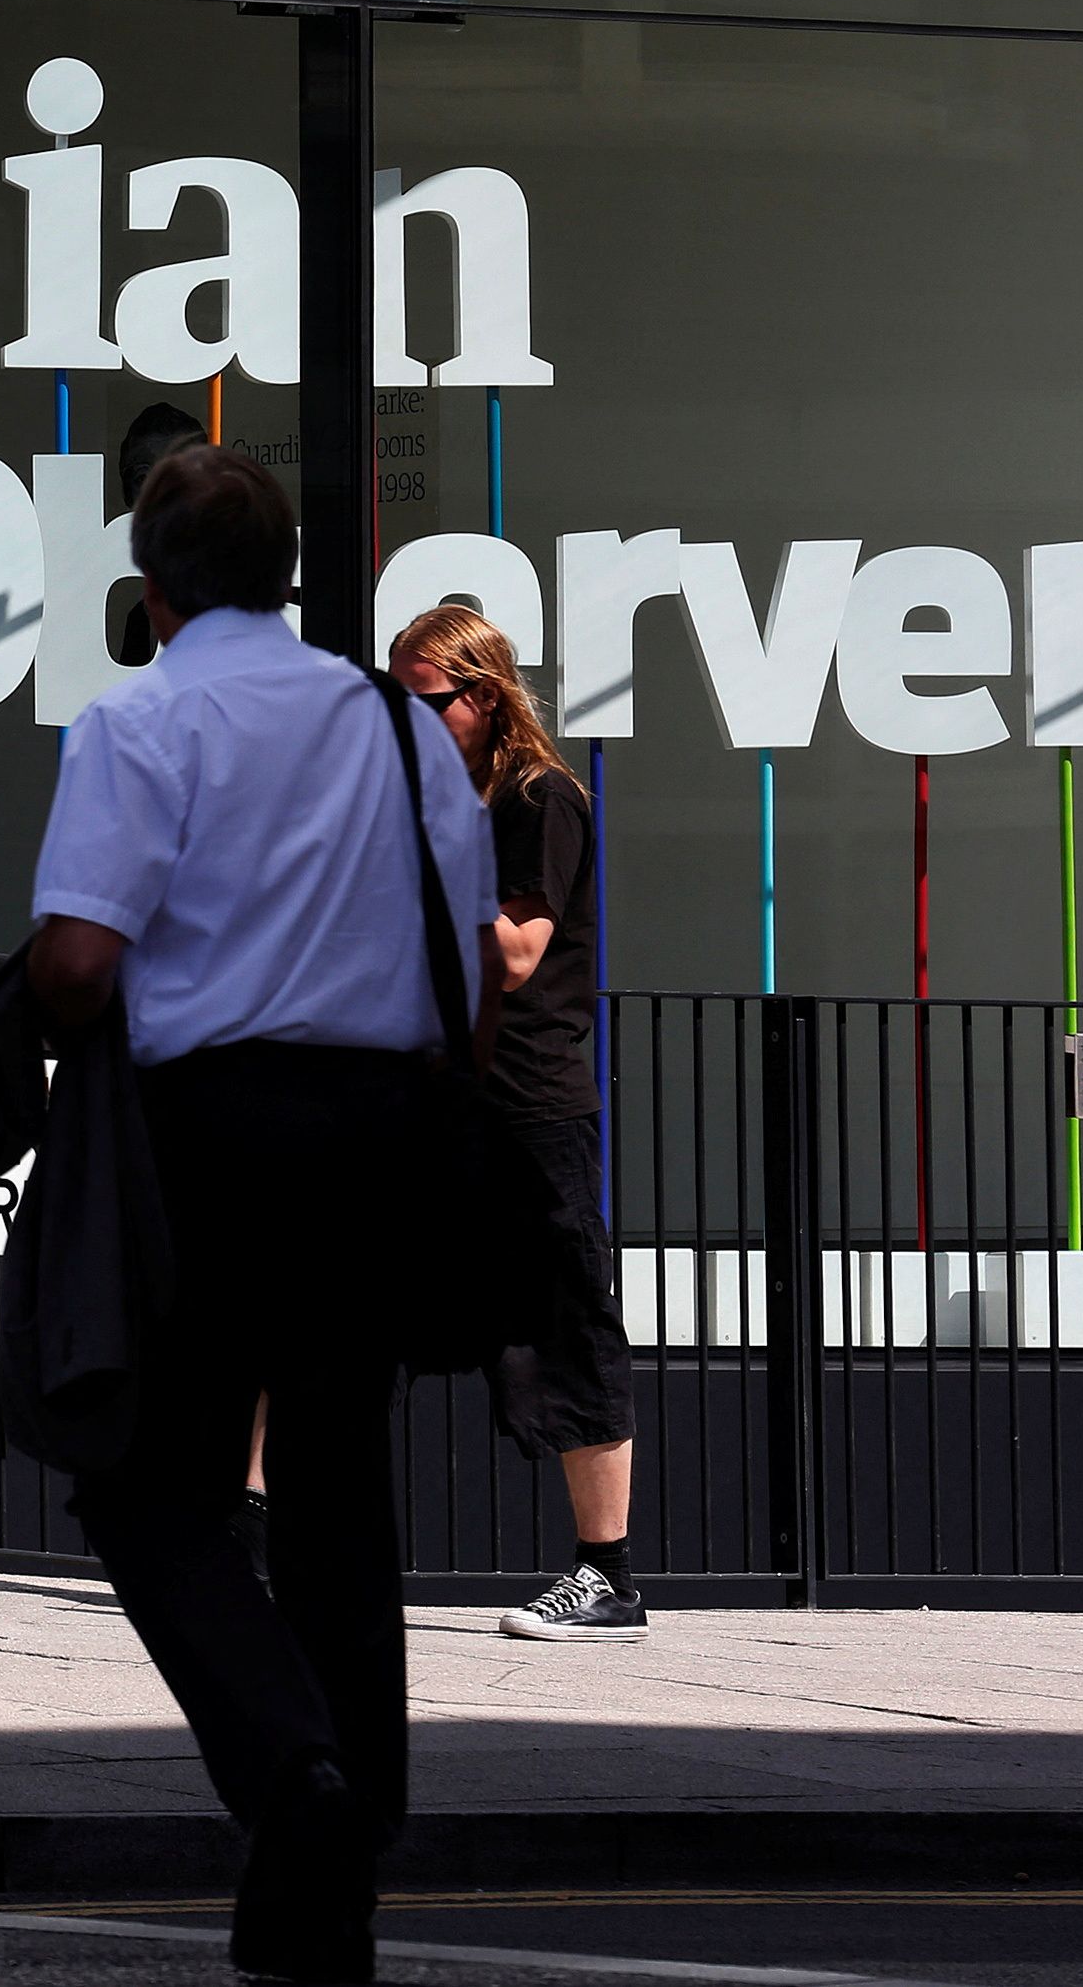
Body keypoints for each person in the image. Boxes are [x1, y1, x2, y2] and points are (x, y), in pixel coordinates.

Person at [24, 447, 500, 1985]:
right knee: (339, 1490)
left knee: (154, 1492)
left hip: (209, 1137)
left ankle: (297, 1770)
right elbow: (472, 968)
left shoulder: (141, 721)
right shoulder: (399, 725)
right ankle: (334, 1876)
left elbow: (78, 963)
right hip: (378, 1133)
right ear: (291, 576)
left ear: (150, 590)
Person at [389, 603, 641, 1642]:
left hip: (525, 1105)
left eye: (425, 703)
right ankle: (261, 1529)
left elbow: (515, 955)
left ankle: (606, 1578)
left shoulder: (539, 798)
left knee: (562, 1324)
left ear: (483, 696)